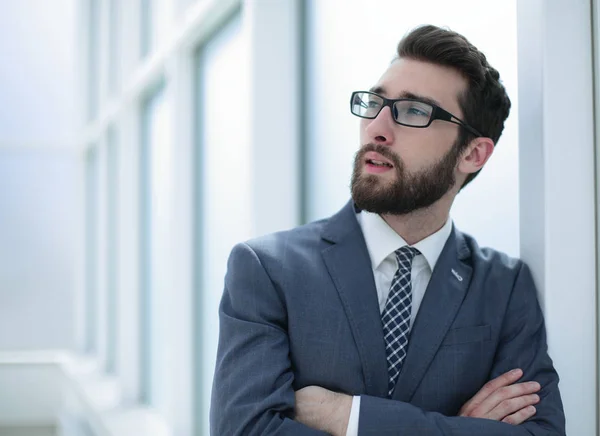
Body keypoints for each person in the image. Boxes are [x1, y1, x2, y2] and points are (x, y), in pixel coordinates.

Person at [210, 24, 565, 435]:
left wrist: (350, 417)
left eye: (414, 111)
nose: (377, 128)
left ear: (472, 153)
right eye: (375, 102)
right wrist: (459, 429)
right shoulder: (268, 270)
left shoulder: (504, 287)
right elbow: (245, 430)